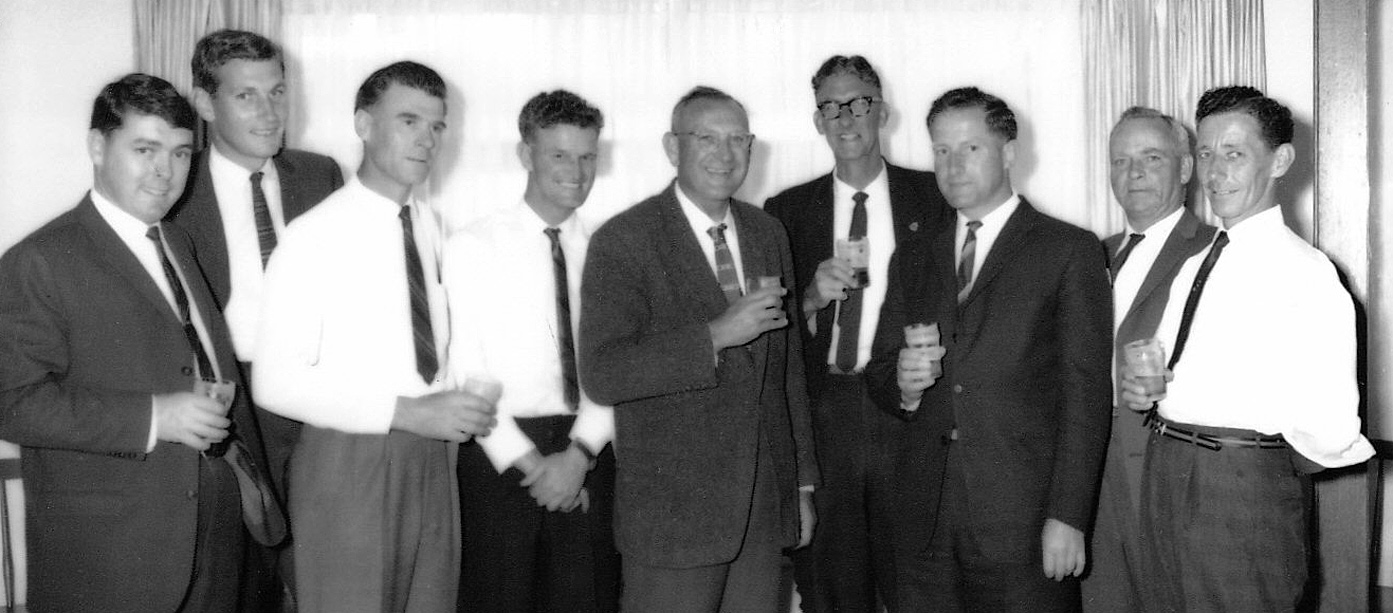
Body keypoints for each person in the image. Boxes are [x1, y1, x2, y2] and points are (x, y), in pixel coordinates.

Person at [0, 73, 280, 613]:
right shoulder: (38, 261)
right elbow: (11, 402)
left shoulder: (176, 239)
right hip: (112, 554)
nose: (165, 172)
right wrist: (155, 417)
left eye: (180, 154)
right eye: (145, 149)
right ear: (98, 147)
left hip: (214, 530)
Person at [1119, 85, 1374, 613]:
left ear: (1280, 160)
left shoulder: (1307, 274)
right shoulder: (1196, 262)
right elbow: (1167, 371)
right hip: (1166, 468)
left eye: (1234, 154)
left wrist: (1254, 464)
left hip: (1239, 487)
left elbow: (1332, 430)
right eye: (1207, 154)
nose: (1215, 172)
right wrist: (1144, 391)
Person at [253, 61, 496, 613]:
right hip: (350, 462)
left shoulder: (431, 225)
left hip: (433, 459)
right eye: (409, 120)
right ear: (363, 123)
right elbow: (274, 382)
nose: (427, 139)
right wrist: (407, 412)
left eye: (437, 126)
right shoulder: (313, 235)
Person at [865, 86, 1112, 613]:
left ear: (1006, 152)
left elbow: (1085, 394)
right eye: (940, 151)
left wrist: (1067, 516)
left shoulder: (1067, 250)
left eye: (970, 148)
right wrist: (903, 387)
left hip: (1023, 523)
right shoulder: (912, 257)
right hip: (923, 522)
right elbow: (880, 371)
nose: (952, 166)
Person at [578, 86, 818, 613]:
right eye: (706, 138)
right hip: (673, 518)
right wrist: (713, 335)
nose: (725, 154)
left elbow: (788, 373)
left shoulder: (767, 231)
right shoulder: (624, 239)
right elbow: (602, 373)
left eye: (738, 140)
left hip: (760, 507)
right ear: (672, 147)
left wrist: (801, 486)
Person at [764, 54, 950, 613]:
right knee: (833, 589)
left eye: (859, 103)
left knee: (917, 586)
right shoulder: (785, 212)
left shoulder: (935, 197)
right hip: (826, 420)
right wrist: (811, 301)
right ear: (817, 121)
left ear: (884, 113)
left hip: (908, 412)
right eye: (831, 107)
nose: (846, 118)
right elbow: (770, 339)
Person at [167, 28, 344, 611]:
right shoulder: (175, 188)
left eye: (277, 92)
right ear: (204, 103)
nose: (270, 114)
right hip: (226, 400)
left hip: (311, 393)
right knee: (236, 577)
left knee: (317, 569)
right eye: (247, 96)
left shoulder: (321, 177)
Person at [446, 89, 620, 613]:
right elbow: (467, 369)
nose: (576, 171)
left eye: (587, 156)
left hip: (586, 450)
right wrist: (534, 467)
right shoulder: (472, 246)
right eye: (559, 155)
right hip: (500, 453)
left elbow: (614, 367)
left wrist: (578, 457)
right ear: (526, 155)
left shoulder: (610, 252)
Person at [1081, 106, 1216, 613]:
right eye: (1120, 160)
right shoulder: (1091, 254)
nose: (1132, 172)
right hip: (1092, 465)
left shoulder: (1213, 250)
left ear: (1185, 170)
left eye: (1151, 157)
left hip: (1167, 468)